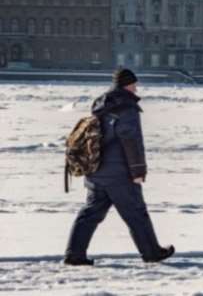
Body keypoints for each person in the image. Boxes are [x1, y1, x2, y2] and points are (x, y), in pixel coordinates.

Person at [64, 68, 174, 266]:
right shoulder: (127, 106)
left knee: (90, 214)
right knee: (136, 214)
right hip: (119, 173)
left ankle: (74, 254)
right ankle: (152, 253)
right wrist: (138, 171)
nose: (136, 87)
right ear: (126, 84)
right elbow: (131, 141)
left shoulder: (100, 103)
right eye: (133, 84)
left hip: (95, 170)